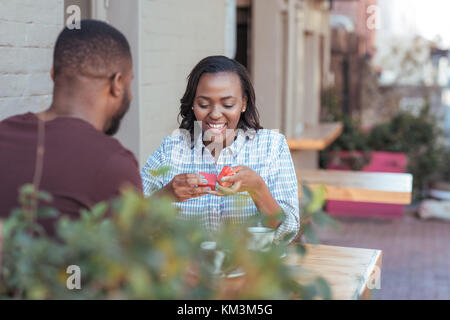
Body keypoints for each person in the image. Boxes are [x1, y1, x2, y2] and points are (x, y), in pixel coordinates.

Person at [0, 20, 142, 233]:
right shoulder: (116, 165)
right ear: (117, 83)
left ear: (53, 75)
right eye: (130, 83)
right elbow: (134, 260)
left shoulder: (4, 133)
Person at [141, 56, 299, 242]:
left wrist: (258, 188)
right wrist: (166, 195)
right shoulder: (170, 149)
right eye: (204, 104)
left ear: (244, 103)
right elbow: (131, 223)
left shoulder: (272, 147)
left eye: (228, 104)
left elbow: (288, 232)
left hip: (251, 270)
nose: (215, 114)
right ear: (192, 104)